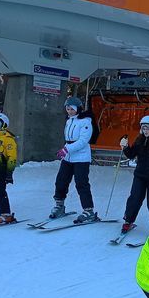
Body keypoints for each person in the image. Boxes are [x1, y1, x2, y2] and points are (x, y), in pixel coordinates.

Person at [50, 96, 97, 224]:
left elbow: (83, 141)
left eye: (72, 109)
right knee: (61, 180)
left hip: (81, 158)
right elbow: (68, 139)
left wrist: (67, 149)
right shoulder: (69, 121)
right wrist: (64, 150)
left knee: (81, 183)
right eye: (68, 109)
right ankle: (59, 205)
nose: (69, 111)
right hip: (68, 156)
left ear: (78, 109)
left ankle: (88, 210)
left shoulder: (86, 122)